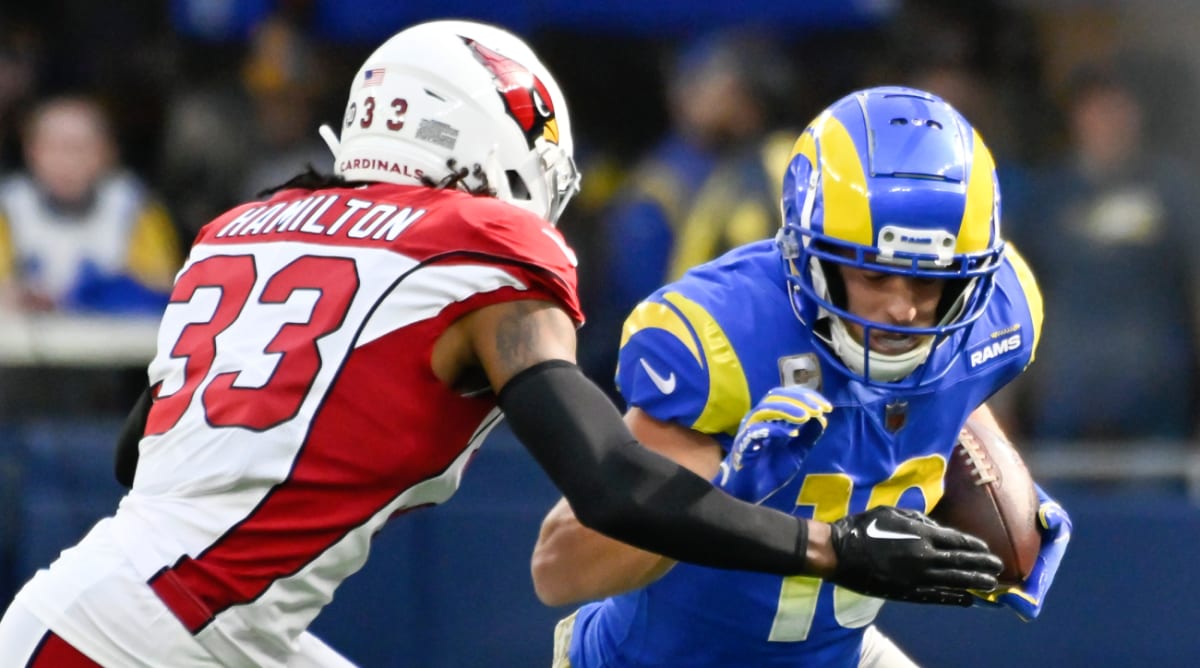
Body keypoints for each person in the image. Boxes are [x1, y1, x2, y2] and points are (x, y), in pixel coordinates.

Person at [0, 25, 1002, 667]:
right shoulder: (483, 250)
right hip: (154, 633)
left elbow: (140, 453)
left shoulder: (249, 224)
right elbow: (612, 484)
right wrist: (832, 545)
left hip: (129, 609)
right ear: (479, 141)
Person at [532, 86, 1073, 667]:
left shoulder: (995, 313)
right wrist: (721, 496)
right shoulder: (731, 337)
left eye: (929, 281)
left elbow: (950, 382)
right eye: (875, 276)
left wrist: (1001, 490)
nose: (903, 310)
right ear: (809, 255)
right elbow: (558, 570)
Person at [0, 95, 181, 313]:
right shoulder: (8, 208)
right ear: (31, 151)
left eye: (79, 148)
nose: (66, 160)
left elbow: (163, 291)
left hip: (113, 333)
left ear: (108, 152)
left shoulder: (136, 209)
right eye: (53, 147)